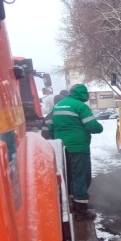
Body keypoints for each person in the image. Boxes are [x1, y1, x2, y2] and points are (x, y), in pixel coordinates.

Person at [47, 84, 104, 216]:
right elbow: (92, 125)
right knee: (81, 177)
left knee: (68, 176)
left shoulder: (58, 105)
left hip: (61, 147)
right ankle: (81, 211)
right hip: (78, 147)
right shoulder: (81, 106)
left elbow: (51, 127)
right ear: (83, 95)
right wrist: (100, 128)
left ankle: (71, 205)